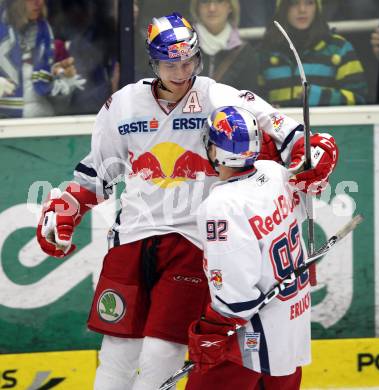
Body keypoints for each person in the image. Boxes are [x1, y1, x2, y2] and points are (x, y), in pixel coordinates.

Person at [35, 12, 338, 390]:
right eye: (169, 64)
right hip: (132, 238)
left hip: (193, 241)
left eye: (188, 62)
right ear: (153, 62)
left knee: (162, 352)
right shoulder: (123, 105)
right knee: (116, 353)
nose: (180, 73)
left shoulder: (220, 96)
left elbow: (287, 132)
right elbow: (96, 173)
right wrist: (66, 209)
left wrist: (313, 151)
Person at [186, 106, 336, 389]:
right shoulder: (274, 172)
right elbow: (297, 214)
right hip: (290, 327)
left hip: (246, 343)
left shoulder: (221, 206)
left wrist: (213, 330)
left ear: (214, 149)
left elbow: (237, 293)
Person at [257, 0, 368, 107]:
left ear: (317, 7)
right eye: (294, 3)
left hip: (326, 126)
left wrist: (315, 96)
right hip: (281, 126)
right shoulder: (265, 51)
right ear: (282, 8)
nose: (302, 10)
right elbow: (252, 101)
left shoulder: (339, 48)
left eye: (309, 2)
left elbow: (360, 99)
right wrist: (268, 110)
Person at [0, 0, 85, 118]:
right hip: (7, 127)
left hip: (43, 124)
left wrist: (64, 82)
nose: (38, 2)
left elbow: (62, 108)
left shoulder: (46, 35)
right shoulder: (2, 33)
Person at [189, 0, 258, 90]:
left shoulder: (245, 52)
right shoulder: (180, 45)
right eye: (205, 1)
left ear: (230, 7)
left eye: (220, 1)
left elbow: (250, 99)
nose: (212, 8)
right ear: (197, 7)